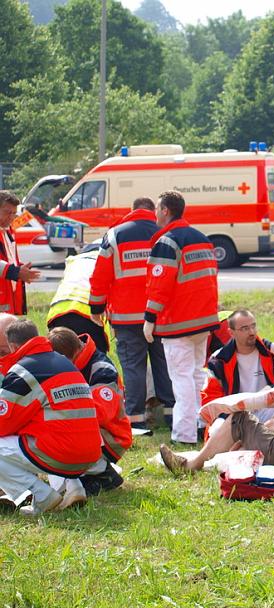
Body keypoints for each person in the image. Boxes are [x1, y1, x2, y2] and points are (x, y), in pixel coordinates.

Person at [159, 338, 274, 476]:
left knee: (239, 418)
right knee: (250, 428)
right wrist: (247, 439)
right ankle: (209, 456)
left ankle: (190, 466)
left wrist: (214, 408)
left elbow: (254, 400)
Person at [89, 196, 175, 430]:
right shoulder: (166, 232)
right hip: (161, 315)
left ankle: (136, 421)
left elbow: (100, 277)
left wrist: (96, 309)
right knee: (165, 364)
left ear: (132, 210)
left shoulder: (115, 235)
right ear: (153, 210)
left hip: (127, 317)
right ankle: (172, 414)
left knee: (133, 367)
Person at [0, 320, 101, 515]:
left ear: (13, 346)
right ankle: (74, 488)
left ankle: (41, 495)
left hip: (62, 452)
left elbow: (3, 422)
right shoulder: (64, 362)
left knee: (39, 440)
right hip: (90, 452)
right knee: (54, 431)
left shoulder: (23, 371)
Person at [144, 190, 219, 444]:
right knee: (197, 375)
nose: (155, 213)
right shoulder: (201, 239)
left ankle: (184, 435)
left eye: (157, 208)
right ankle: (202, 427)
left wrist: (149, 318)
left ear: (165, 210)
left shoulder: (167, 242)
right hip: (204, 319)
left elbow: (160, 284)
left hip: (178, 322)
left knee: (182, 378)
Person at [46, 327, 130, 498]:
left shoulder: (102, 370)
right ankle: (84, 474)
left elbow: (101, 412)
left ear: (76, 352)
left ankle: (100, 472)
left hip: (112, 434)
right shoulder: (72, 362)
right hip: (97, 429)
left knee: (62, 430)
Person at [201, 309, 274, 431]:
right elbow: (210, 398)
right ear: (231, 333)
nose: (252, 332)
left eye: (253, 326)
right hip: (236, 413)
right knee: (215, 430)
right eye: (245, 329)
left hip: (269, 407)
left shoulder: (273, 351)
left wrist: (270, 390)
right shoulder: (218, 360)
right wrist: (225, 415)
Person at [47, 247, 109, 352]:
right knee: (93, 359)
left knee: (63, 359)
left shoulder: (75, 261)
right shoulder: (106, 260)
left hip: (58, 312)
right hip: (89, 313)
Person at [0, 190, 41, 314]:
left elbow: (9, 259)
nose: (12, 217)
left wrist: (21, 270)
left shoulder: (8, 230)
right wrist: (16, 272)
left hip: (7, 298)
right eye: (8, 213)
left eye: (14, 213)